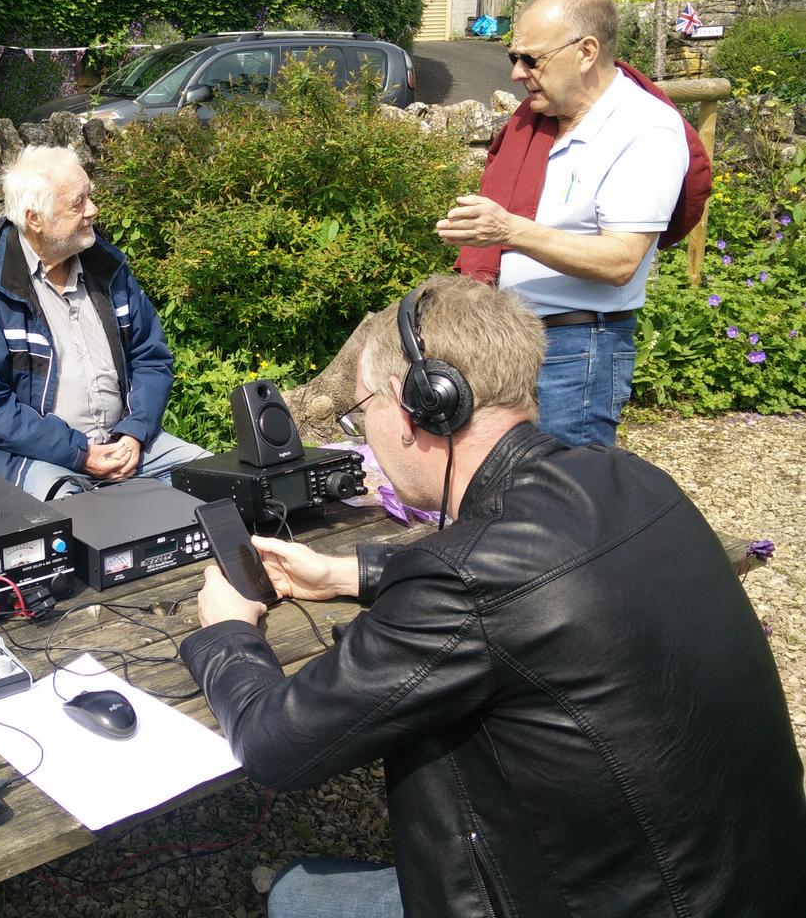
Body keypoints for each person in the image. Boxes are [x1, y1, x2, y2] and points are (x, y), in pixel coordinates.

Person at [181, 275, 806, 918]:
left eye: (360, 412)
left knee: (299, 896)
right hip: (749, 884)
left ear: (415, 403)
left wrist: (226, 632)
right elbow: (535, 574)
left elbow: (274, 745)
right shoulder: (634, 478)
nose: (363, 435)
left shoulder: (463, 582)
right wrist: (351, 573)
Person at [437, 0, 708, 447]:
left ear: (586, 51)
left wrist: (507, 229)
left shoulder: (644, 129)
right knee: (502, 493)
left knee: (566, 498)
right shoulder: (539, 122)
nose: (518, 74)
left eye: (531, 59)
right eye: (513, 58)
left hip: (577, 351)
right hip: (506, 344)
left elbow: (620, 261)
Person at [0, 144, 205, 499]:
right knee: (72, 522)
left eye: (90, 197)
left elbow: (151, 358)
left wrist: (135, 432)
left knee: (218, 483)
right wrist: (79, 454)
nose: (93, 211)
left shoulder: (109, 270)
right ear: (35, 218)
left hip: (124, 444)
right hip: (32, 457)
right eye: (77, 203)